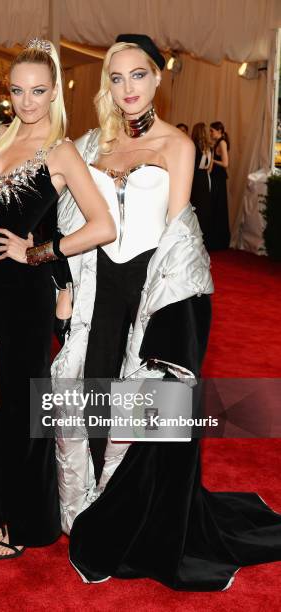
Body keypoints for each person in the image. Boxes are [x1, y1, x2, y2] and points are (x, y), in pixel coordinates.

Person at [63, 35, 281, 591]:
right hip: (97, 290)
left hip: (151, 292)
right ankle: (88, 503)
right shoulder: (92, 145)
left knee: (144, 414)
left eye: (139, 75)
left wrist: (174, 322)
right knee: (92, 392)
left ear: (158, 78)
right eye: (117, 78)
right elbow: (67, 219)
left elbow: (179, 238)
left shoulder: (177, 145)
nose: (128, 88)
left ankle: (133, 518)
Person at [0, 39, 115, 559]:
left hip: (24, 293)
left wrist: (37, 253)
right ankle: (13, 514)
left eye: (38, 90)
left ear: (54, 91)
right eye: (17, 90)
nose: (27, 101)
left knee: (18, 406)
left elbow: (103, 226)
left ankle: (23, 521)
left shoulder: (60, 151)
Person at [209, 121, 230, 250]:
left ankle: (218, 241)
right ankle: (215, 239)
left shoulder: (222, 142)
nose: (210, 133)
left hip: (219, 178)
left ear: (219, 131)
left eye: (212, 131)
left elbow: (226, 163)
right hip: (216, 177)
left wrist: (212, 160)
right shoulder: (218, 142)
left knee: (218, 207)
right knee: (215, 207)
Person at [190, 122, 212, 245]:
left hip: (196, 178)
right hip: (204, 177)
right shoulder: (209, 147)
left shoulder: (193, 146)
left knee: (196, 209)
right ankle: (202, 239)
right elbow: (210, 167)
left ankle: (195, 238)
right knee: (203, 209)